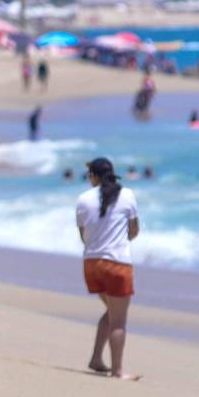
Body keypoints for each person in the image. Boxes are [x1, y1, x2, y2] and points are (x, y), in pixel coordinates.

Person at [77, 158, 141, 381]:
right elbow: (134, 230)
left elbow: (83, 235)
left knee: (112, 312)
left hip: (92, 264)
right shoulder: (128, 195)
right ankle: (117, 371)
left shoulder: (83, 199)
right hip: (117, 264)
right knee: (119, 320)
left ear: (94, 176)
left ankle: (96, 358)